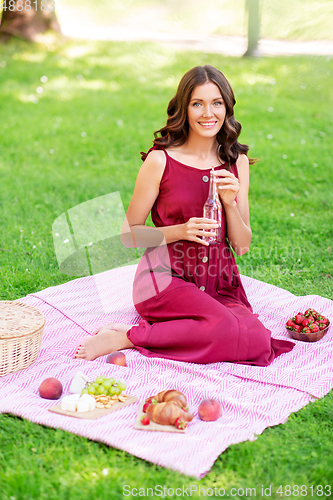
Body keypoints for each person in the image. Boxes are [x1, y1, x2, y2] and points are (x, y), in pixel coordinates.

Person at [75, 65, 294, 365]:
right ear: (184, 109)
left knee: (257, 340)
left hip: (219, 281)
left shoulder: (236, 162)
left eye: (216, 103)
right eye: (197, 103)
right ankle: (129, 337)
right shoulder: (160, 160)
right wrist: (180, 231)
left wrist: (230, 204)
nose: (208, 113)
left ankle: (141, 333)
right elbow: (128, 235)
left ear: (227, 107)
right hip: (164, 278)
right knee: (226, 328)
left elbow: (242, 246)